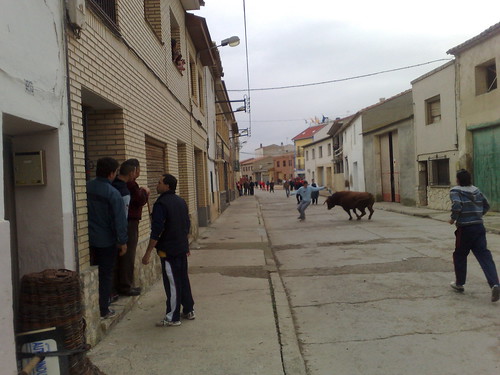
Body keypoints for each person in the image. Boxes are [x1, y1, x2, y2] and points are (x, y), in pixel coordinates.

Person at [142, 174, 195, 326]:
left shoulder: (161, 204)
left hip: (169, 251)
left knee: (172, 282)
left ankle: (172, 317)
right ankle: (189, 309)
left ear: (167, 186)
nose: (156, 185)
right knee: (182, 278)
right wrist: (185, 246)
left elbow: (157, 231)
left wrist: (147, 253)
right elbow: (186, 225)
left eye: (159, 183)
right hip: (180, 249)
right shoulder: (181, 201)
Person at [448, 169, 499, 302]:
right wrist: (477, 215)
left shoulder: (455, 191)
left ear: (458, 179)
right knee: (484, 256)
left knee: (459, 255)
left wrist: (453, 218)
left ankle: (459, 283)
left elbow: (457, 205)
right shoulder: (476, 190)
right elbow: (486, 205)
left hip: (464, 229)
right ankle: (495, 284)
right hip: (479, 227)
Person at [87, 157, 128, 318]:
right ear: (112, 173)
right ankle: (104, 308)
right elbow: (119, 220)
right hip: (106, 242)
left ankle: (94, 306)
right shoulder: (113, 193)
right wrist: (122, 241)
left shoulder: (86, 187)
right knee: (105, 275)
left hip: (88, 241)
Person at [117, 159, 150, 297]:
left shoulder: (119, 184)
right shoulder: (130, 185)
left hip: (126, 223)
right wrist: (145, 192)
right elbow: (140, 200)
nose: (139, 172)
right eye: (139, 170)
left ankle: (125, 285)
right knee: (128, 255)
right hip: (129, 224)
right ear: (133, 171)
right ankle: (126, 286)